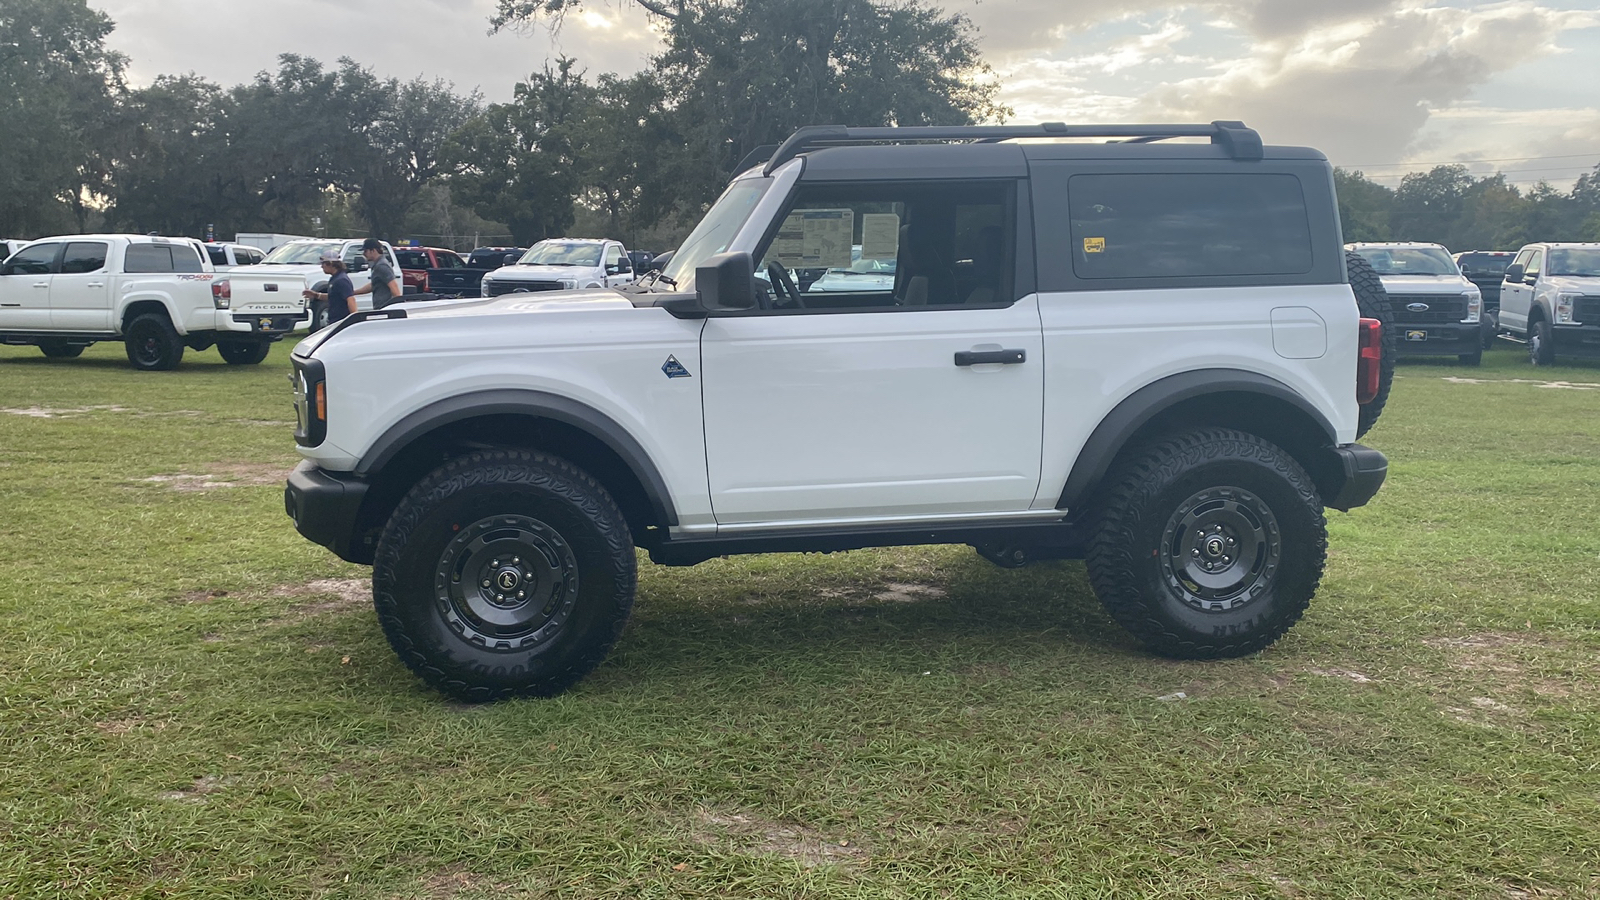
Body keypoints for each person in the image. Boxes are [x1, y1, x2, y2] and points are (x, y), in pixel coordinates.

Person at [303, 249, 355, 327]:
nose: (321, 266)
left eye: (323, 264)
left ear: (330, 264)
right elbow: (333, 296)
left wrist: (354, 320)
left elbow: (351, 300)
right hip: (334, 321)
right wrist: (316, 295)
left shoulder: (342, 280)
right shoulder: (335, 278)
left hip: (341, 322)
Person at [352, 238, 402, 309]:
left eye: (365, 251)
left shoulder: (382, 266)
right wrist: (354, 292)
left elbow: (394, 287)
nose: (364, 254)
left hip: (384, 308)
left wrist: (397, 308)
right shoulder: (377, 265)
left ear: (373, 251)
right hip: (380, 307)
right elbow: (374, 284)